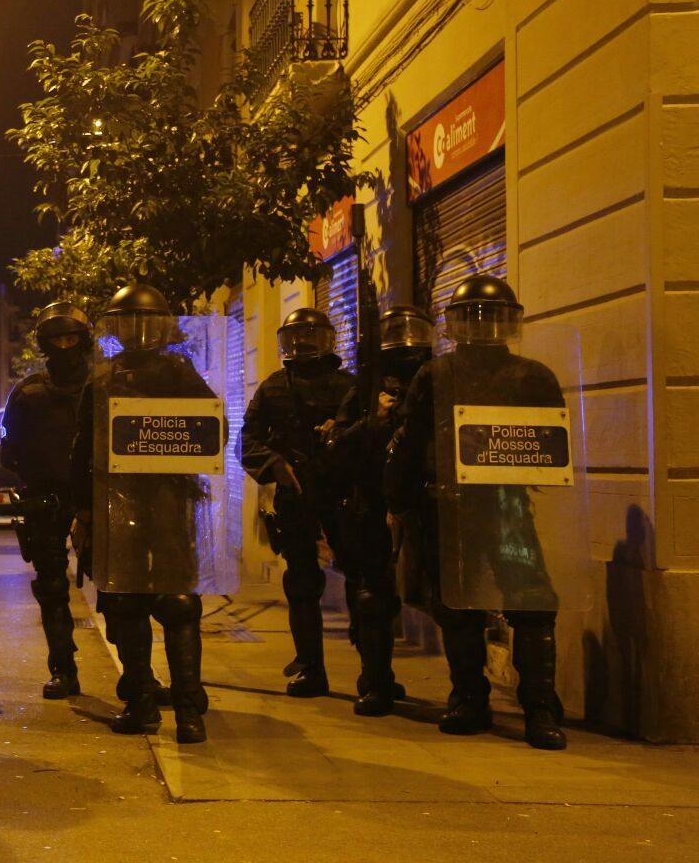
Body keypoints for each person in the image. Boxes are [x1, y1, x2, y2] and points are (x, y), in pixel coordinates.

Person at [385, 276, 569, 750]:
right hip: (449, 503)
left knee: (532, 602)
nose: (483, 327)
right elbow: (411, 439)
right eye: (473, 318)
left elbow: (553, 444)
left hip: (508, 504)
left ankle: (540, 706)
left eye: (493, 317)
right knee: (457, 607)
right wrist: (402, 502)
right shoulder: (437, 375)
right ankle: (469, 697)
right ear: (456, 324)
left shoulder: (533, 376)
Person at [70, 285, 216, 744]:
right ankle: (141, 701)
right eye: (126, 322)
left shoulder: (179, 371)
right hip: (119, 503)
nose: (135, 330)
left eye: (143, 321)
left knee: (176, 604)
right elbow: (82, 451)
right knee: (126, 600)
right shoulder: (105, 377)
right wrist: (84, 512)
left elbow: (214, 429)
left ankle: (189, 712)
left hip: (170, 503)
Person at [240, 307, 354, 698]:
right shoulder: (273, 387)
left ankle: (377, 674)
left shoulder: (349, 387)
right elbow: (248, 441)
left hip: (344, 494)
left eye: (311, 335)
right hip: (297, 495)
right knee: (302, 584)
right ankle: (311, 666)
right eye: (296, 336)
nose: (303, 343)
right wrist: (277, 465)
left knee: (364, 581)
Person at [328, 306, 434, 715]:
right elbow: (336, 446)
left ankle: (469, 694)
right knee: (372, 595)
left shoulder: (438, 379)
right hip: (372, 502)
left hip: (427, 498)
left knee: (451, 597)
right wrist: (374, 422)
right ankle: (376, 679)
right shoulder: (366, 388)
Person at [1, 301, 91, 699]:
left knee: (119, 588)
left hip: (99, 497)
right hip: (46, 497)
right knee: (52, 588)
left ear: (82, 340)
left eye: (70, 337)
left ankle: (138, 675)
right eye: (56, 339)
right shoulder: (29, 390)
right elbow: (10, 449)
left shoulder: (104, 386)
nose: (64, 345)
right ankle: (64, 670)